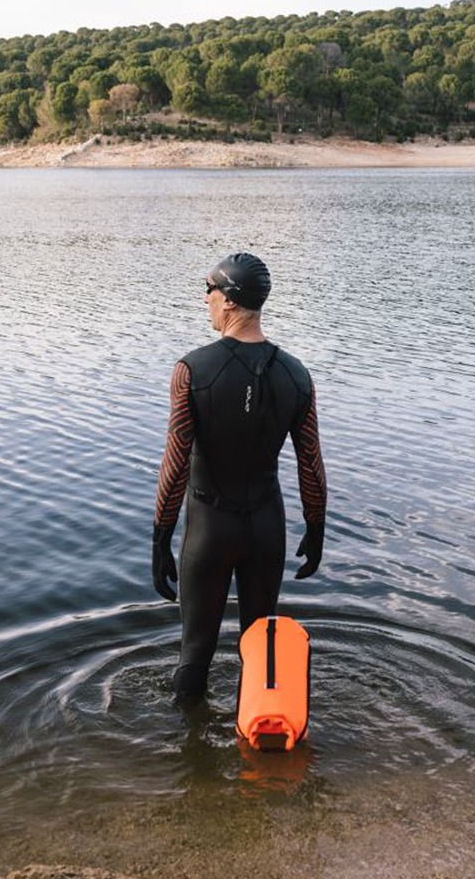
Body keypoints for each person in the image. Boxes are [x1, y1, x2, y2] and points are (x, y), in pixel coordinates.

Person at [151, 251, 328, 701]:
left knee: (194, 655)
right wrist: (316, 526)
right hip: (267, 527)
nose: (205, 300)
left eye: (208, 291)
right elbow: (311, 462)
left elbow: (175, 465)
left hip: (209, 527)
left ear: (228, 299)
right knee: (259, 651)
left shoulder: (191, 370)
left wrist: (161, 537)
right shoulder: (297, 375)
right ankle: (261, 754)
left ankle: (187, 761)